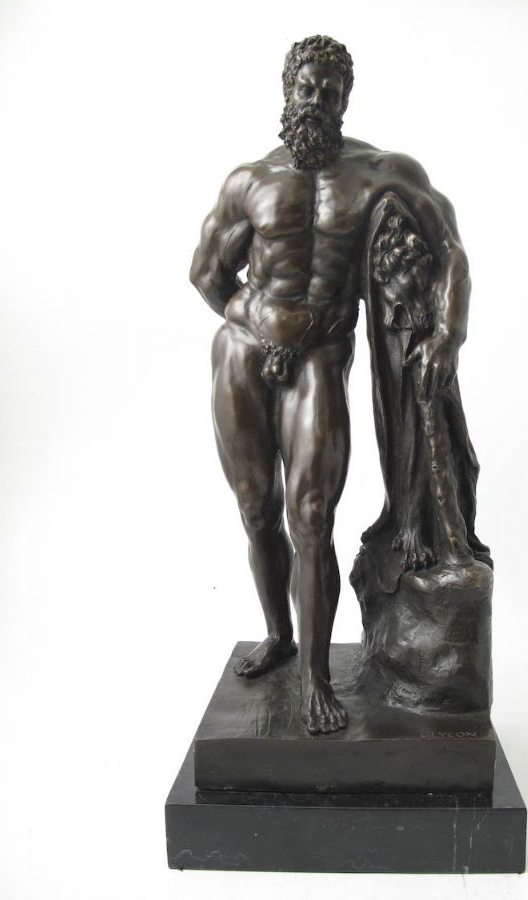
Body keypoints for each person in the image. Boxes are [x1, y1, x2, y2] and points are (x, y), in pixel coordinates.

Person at [190, 35, 478, 734]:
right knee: (256, 508)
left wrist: (447, 333)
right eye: (307, 87)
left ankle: (317, 677)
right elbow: (206, 274)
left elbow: (449, 251)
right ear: (287, 90)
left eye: (330, 90)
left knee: (313, 516)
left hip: (319, 357)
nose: (316, 100)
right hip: (242, 356)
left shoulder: (381, 174)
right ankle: (279, 635)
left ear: (345, 99)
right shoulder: (249, 181)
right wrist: (260, 324)